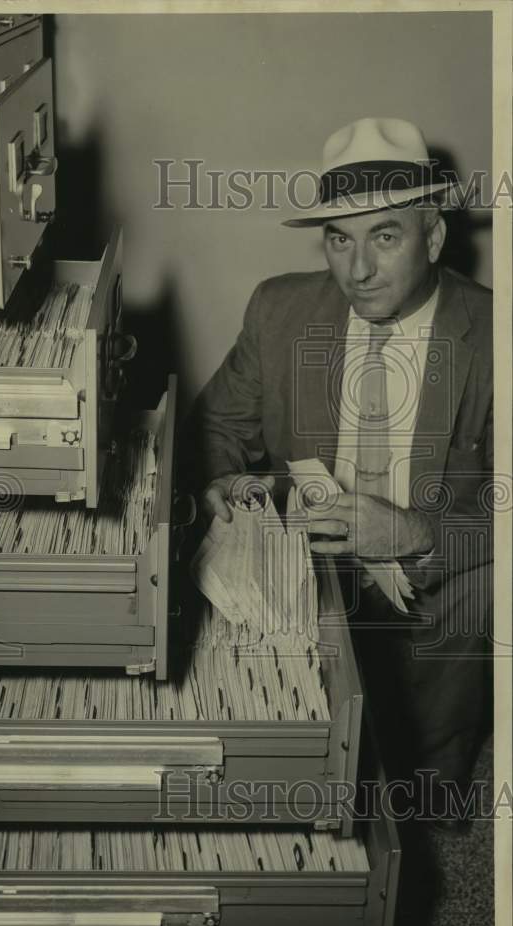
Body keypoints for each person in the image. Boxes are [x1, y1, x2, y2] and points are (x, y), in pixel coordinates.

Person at [186, 117, 493, 824]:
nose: (357, 270)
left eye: (385, 237)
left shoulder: (492, 336)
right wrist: (227, 483)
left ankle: (431, 782)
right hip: (302, 558)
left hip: (434, 574)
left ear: (434, 237)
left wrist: (415, 532)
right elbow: (214, 427)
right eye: (339, 239)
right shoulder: (279, 309)